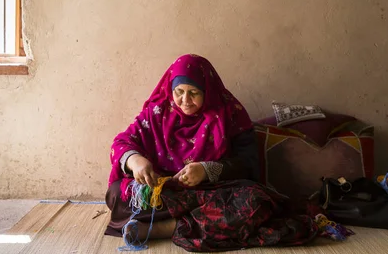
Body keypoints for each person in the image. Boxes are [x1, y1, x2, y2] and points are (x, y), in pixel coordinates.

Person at [105, 54, 317, 251]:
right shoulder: (157, 113)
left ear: (208, 91)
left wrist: (207, 170)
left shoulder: (229, 114)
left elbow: (248, 162)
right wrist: (135, 160)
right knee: (118, 195)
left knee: (255, 203)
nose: (185, 100)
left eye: (194, 93)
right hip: (167, 191)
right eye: (179, 92)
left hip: (213, 192)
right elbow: (121, 142)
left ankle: (163, 228)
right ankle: (200, 224)